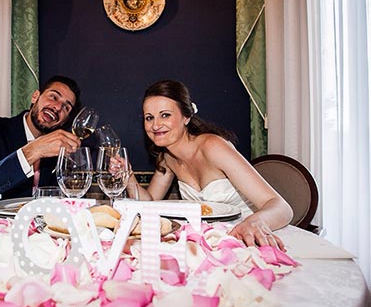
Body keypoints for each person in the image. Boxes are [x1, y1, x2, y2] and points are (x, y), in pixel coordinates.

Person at [125, 79, 293, 250]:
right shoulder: (167, 158)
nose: (155, 125)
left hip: (251, 239)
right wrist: (128, 176)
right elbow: (149, 203)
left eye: (165, 115)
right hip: (211, 243)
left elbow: (281, 207)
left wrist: (253, 223)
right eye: (149, 118)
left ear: (186, 117)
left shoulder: (213, 147)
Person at [0, 75, 82, 212]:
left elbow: (68, 198)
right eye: (53, 97)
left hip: (38, 230)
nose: (57, 107)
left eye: (66, 107)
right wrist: (32, 151)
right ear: (35, 97)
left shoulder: (59, 152)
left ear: (64, 121)